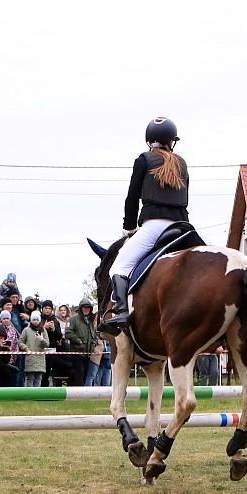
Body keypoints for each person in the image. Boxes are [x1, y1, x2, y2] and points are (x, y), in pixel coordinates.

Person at [100, 117, 189, 335]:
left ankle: (121, 313)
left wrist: (129, 228)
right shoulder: (182, 163)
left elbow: (132, 198)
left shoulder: (143, 160)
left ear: (149, 140)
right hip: (184, 227)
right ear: (172, 141)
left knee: (117, 268)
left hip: (154, 227)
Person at [65, 297, 99, 386]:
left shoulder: (91, 321)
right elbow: (68, 333)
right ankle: (78, 392)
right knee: (79, 372)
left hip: (88, 353)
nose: (86, 309)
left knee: (85, 374)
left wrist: (94, 343)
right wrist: (78, 341)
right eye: (84, 307)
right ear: (80, 308)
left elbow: (95, 334)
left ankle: (82, 393)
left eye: (88, 307)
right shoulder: (73, 319)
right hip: (76, 352)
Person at [18, 310, 50, 387]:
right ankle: (29, 395)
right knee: (30, 378)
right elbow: (20, 342)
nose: (35, 322)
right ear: (31, 320)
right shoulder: (26, 330)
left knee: (39, 378)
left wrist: (42, 340)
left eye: (37, 320)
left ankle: (37, 395)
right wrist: (26, 349)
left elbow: (47, 344)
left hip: (40, 359)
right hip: (30, 358)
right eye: (34, 320)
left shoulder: (43, 330)